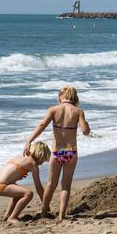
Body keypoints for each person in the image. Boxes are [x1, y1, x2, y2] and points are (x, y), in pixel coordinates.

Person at [24, 85, 91, 221]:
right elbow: (85, 131)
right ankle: (62, 215)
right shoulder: (78, 111)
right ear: (74, 98)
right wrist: (85, 123)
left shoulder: (54, 110)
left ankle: (44, 211)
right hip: (71, 152)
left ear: (61, 96)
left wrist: (29, 141)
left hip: (57, 152)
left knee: (51, 184)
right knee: (66, 185)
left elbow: (42, 125)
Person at [0, 141, 48, 223]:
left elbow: (9, 171)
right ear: (41, 155)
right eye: (44, 159)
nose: (42, 163)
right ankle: (12, 217)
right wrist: (45, 204)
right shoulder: (33, 164)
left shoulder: (20, 157)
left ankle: (7, 216)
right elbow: (38, 187)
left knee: (18, 193)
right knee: (28, 194)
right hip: (0, 186)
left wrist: (18, 175)